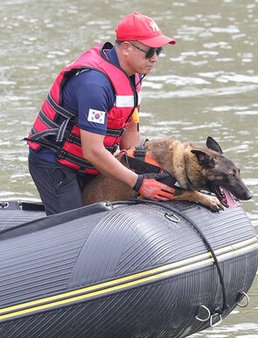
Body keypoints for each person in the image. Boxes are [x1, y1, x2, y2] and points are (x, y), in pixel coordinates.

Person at [26, 12, 177, 215]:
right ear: (126, 48)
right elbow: (93, 151)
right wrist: (139, 183)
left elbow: (131, 128)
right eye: (149, 51)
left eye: (159, 50)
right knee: (75, 227)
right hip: (55, 162)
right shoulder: (94, 84)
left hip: (91, 161)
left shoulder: (134, 75)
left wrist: (136, 167)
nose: (155, 58)